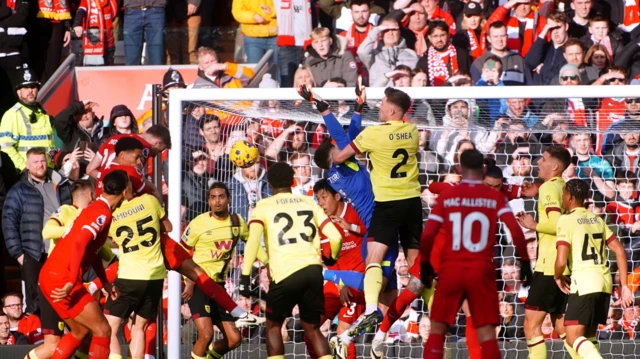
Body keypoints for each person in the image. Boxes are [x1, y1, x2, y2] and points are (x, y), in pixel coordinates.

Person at [420, 149, 532, 359]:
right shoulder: (493, 197)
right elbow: (515, 231)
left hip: (451, 268)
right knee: (485, 330)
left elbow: (428, 234)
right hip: (480, 268)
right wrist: (525, 262)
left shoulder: (450, 195)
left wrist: (425, 263)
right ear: (482, 169)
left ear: (460, 169)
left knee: (437, 328)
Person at [330, 87, 422, 336]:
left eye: (382, 103)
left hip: (388, 204)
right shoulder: (412, 132)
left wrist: (338, 153)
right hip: (413, 203)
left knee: (373, 259)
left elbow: (340, 156)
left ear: (392, 109)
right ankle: (433, 311)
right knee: (416, 266)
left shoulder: (372, 135)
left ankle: (371, 308)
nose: (379, 107)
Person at [239, 162, 344, 359]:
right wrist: (332, 257)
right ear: (293, 181)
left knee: (273, 325)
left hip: (285, 272)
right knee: (312, 328)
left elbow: (252, 242)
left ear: (269, 185)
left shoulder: (262, 206)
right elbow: (336, 237)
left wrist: (245, 277)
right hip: (313, 271)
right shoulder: (308, 203)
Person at [38, 170, 129, 359]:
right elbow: (80, 242)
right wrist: (72, 281)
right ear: (125, 191)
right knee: (103, 330)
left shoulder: (94, 208)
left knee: (80, 332)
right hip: (63, 278)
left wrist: (104, 281)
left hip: (50, 275)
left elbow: (91, 250)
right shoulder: (102, 213)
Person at [181, 182, 268, 359]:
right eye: (213, 197)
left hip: (219, 286)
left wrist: (268, 262)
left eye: (221, 196)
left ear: (229, 199)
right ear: (208, 201)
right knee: (206, 334)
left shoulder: (237, 222)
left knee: (234, 339)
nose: (217, 201)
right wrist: (189, 282)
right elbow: (182, 254)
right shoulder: (199, 223)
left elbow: (252, 245)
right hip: (198, 283)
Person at [554, 179, 634, 358]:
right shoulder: (597, 220)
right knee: (588, 338)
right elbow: (620, 251)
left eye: (563, 194)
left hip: (584, 283)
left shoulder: (565, 220)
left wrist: (557, 275)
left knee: (572, 337)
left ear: (569, 197)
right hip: (604, 283)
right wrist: (625, 286)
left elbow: (560, 261)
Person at [29, 180, 105, 359]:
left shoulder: (93, 218)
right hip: (57, 280)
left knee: (86, 335)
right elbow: (47, 232)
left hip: (77, 282)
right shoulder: (66, 211)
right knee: (52, 345)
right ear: (90, 195)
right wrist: (72, 230)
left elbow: (102, 251)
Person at [515, 146, 576, 359]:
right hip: (563, 264)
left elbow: (557, 222)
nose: (538, 162)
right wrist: (539, 189)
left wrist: (534, 226)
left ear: (555, 166)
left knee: (531, 325)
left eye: (543, 159)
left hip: (549, 266)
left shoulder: (550, 188)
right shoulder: (563, 187)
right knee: (560, 324)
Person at [2, 147, 72, 315]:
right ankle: (36, 337)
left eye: (42, 161)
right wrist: (18, 254)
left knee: (63, 297)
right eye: (35, 162)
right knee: (35, 301)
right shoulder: (18, 190)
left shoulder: (61, 184)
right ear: (27, 165)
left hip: (62, 250)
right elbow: (8, 223)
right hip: (34, 253)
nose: (40, 165)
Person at [103, 189, 167, 359]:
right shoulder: (149, 200)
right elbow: (168, 227)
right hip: (155, 277)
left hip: (129, 276)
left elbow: (113, 241)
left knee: (108, 328)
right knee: (139, 328)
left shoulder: (113, 215)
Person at [309, 179, 366, 359]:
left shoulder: (356, 210)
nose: (321, 203)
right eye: (318, 199)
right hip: (338, 283)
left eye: (324, 197)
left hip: (359, 281)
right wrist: (340, 283)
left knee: (343, 332)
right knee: (310, 328)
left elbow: (373, 231)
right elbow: (328, 258)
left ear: (337, 195)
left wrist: (351, 227)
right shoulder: (322, 223)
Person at [0, 65, 55, 170]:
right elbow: (5, 146)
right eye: (26, 87)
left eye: (33, 87)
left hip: (48, 170)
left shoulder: (43, 113)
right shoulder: (12, 114)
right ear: (18, 92)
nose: (30, 90)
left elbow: (50, 145)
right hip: (27, 174)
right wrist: (23, 168)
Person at [86, 125, 171, 178]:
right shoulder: (145, 147)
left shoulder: (112, 139)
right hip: (120, 199)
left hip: (103, 194)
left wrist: (105, 180)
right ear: (156, 143)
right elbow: (135, 175)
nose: (155, 156)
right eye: (159, 151)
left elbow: (90, 169)